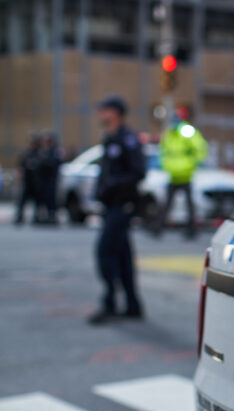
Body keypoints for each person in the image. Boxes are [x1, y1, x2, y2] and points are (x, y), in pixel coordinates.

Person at [88, 96, 146, 325]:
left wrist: (112, 185)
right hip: (111, 205)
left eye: (104, 110)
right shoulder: (110, 138)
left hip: (123, 205)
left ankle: (110, 302)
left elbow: (138, 172)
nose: (100, 114)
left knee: (104, 251)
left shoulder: (127, 139)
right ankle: (133, 305)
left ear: (115, 113)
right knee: (122, 256)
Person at [156, 108, 207, 239]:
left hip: (185, 173)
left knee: (187, 204)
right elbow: (163, 150)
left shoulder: (186, 131)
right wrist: (165, 165)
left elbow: (199, 147)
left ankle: (191, 230)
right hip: (173, 174)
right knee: (168, 203)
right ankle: (158, 228)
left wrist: (194, 163)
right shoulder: (170, 133)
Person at [15, 134, 42, 225]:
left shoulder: (40, 153)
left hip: (36, 182)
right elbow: (20, 166)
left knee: (37, 202)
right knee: (22, 201)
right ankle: (20, 217)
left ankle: (37, 217)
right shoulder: (25, 154)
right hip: (27, 182)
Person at [39, 132, 62, 224]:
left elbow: (55, 163)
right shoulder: (43, 151)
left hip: (52, 179)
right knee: (43, 198)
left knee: (51, 198)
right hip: (43, 179)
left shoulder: (55, 151)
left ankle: (52, 216)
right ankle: (44, 216)